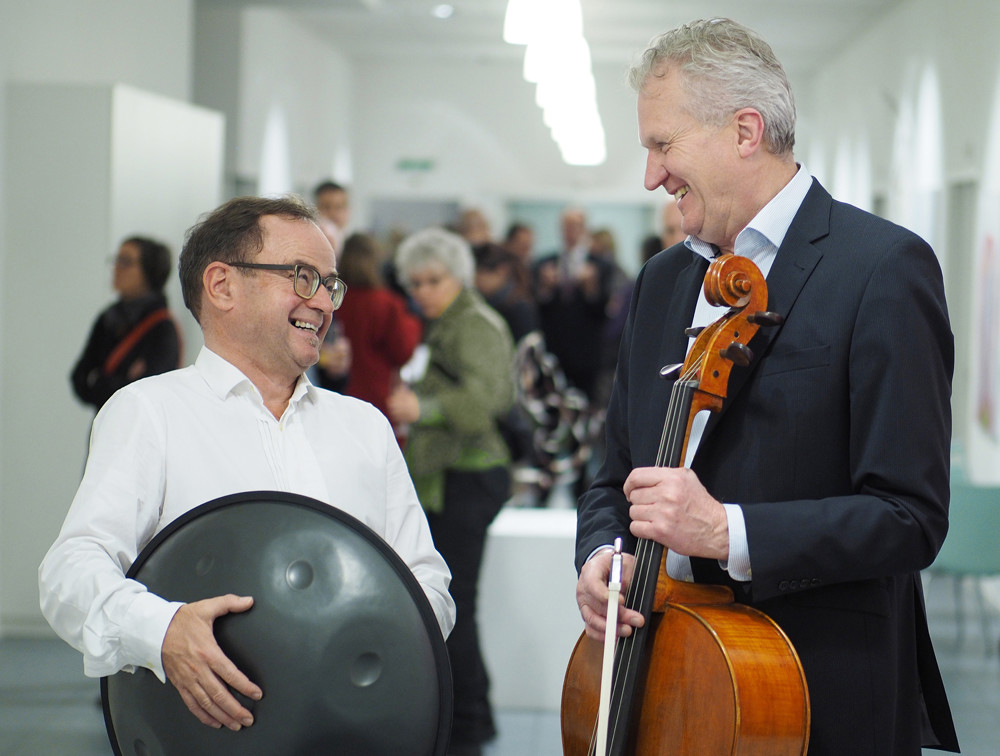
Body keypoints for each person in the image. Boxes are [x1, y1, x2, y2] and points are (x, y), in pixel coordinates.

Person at [574, 18, 958, 755]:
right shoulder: (662, 281)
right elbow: (611, 476)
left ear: (745, 131)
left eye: (663, 145)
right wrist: (601, 559)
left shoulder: (882, 268)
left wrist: (727, 532)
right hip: (665, 682)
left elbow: (909, 516)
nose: (652, 175)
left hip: (811, 695)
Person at [40, 196, 455, 733]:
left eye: (331, 285)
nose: (324, 303)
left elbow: (428, 582)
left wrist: (372, 641)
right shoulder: (150, 412)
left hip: (347, 733)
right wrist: (162, 630)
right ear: (221, 285)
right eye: (303, 277)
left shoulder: (364, 426)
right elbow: (70, 569)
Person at [387, 228, 514, 756]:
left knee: (456, 605)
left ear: (457, 276)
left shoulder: (475, 325)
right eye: (415, 283)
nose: (424, 291)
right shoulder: (449, 322)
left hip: (470, 475)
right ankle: (464, 722)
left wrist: (424, 409)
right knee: (450, 601)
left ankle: (468, 725)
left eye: (434, 280)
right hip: (451, 476)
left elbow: (491, 399)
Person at [71, 236, 181, 412]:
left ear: (149, 272)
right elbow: (79, 380)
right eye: (116, 260)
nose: (116, 268)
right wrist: (123, 380)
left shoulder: (162, 327)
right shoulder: (107, 318)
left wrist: (100, 380)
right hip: (103, 427)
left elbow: (152, 393)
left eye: (125, 262)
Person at [335, 231, 423, 437]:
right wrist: (413, 322)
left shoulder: (334, 300)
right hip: (379, 395)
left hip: (339, 391)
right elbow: (403, 352)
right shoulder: (387, 303)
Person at [532, 207, 613, 403]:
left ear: (584, 229)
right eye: (566, 226)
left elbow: (604, 311)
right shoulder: (545, 264)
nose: (570, 231)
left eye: (575, 226)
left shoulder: (600, 265)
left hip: (586, 352)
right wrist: (546, 288)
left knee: (587, 404)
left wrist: (590, 288)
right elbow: (537, 306)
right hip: (554, 349)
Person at [313, 179, 351, 251]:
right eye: (326, 207)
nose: (333, 213)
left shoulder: (356, 248)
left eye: (339, 207)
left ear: (348, 210)